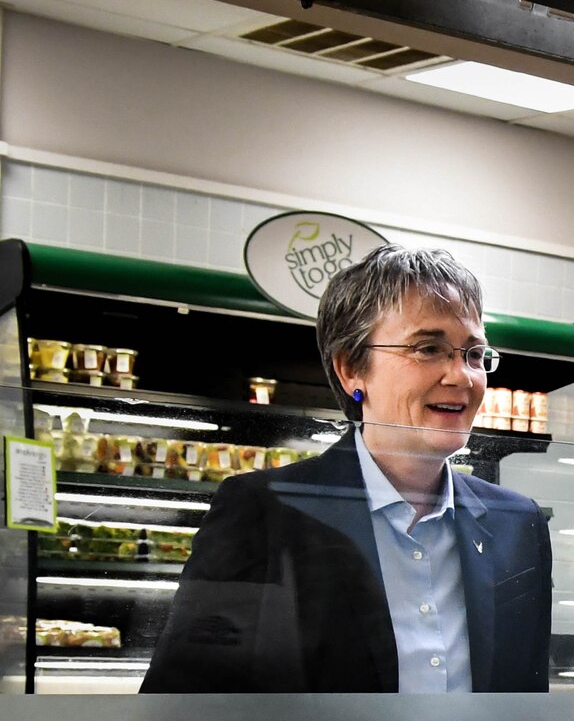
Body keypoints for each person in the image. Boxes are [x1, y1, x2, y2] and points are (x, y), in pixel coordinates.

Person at [144, 246, 551, 693]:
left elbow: (523, 708)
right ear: (351, 368)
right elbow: (185, 708)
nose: (461, 376)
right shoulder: (265, 513)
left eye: (474, 353)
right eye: (429, 348)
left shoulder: (517, 525)